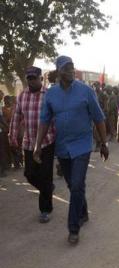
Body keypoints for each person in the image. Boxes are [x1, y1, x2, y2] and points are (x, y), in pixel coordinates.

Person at [34, 55, 109, 245]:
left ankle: (73, 228)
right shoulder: (51, 94)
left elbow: (98, 118)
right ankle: (82, 212)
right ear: (58, 72)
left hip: (82, 145)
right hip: (62, 147)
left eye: (72, 67)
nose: (70, 71)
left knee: (76, 184)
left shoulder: (86, 91)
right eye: (66, 68)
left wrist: (103, 143)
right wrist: (37, 146)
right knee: (72, 185)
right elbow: (44, 121)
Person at [9, 66, 56, 223]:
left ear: (40, 79)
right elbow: (16, 117)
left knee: (45, 175)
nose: (31, 81)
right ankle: (47, 188)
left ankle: (45, 209)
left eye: (33, 78)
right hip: (29, 143)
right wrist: (12, 134)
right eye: (28, 78)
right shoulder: (22, 96)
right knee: (29, 174)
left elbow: (56, 118)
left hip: (46, 143)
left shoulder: (49, 95)